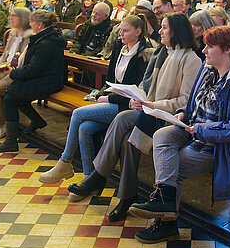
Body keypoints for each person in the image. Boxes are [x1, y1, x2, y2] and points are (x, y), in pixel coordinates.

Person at [128, 26, 230, 243]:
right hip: (194, 128)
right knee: (161, 136)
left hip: (220, 145)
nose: (203, 51)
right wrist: (184, 113)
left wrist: (201, 130)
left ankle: (167, 223)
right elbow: (193, 100)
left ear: (227, 49)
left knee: (175, 165)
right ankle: (165, 203)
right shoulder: (208, 68)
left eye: (210, 47)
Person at [68, 13, 201, 221]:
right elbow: (145, 85)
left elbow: (185, 101)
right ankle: (126, 197)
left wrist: (151, 104)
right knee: (127, 142)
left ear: (177, 31)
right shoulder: (161, 53)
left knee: (122, 121)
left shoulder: (190, 59)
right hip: (149, 111)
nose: (160, 31)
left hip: (167, 117)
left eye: (165, 28)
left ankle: (99, 175)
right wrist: (137, 97)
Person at [39, 15, 154, 183]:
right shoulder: (119, 47)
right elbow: (111, 80)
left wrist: (110, 99)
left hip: (128, 106)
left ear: (138, 32)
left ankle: (64, 162)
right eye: (120, 30)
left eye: (125, 31)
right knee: (85, 128)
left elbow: (136, 91)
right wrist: (102, 94)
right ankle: (88, 177)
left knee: (78, 114)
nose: (120, 34)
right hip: (114, 99)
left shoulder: (145, 54)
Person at [0, 10, 66, 152]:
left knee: (10, 98)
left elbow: (33, 69)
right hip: (43, 77)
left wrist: (14, 73)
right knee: (13, 94)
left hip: (49, 81)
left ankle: (11, 141)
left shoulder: (46, 42)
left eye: (32, 21)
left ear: (39, 24)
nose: (30, 24)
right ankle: (36, 121)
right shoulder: (45, 37)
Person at [0, 7, 35, 140]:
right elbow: (5, 55)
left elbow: (22, 61)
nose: (10, 18)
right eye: (10, 15)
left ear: (22, 18)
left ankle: (2, 125)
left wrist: (1, 70)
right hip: (4, 69)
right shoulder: (12, 33)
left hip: (16, 73)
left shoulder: (30, 36)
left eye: (14, 16)